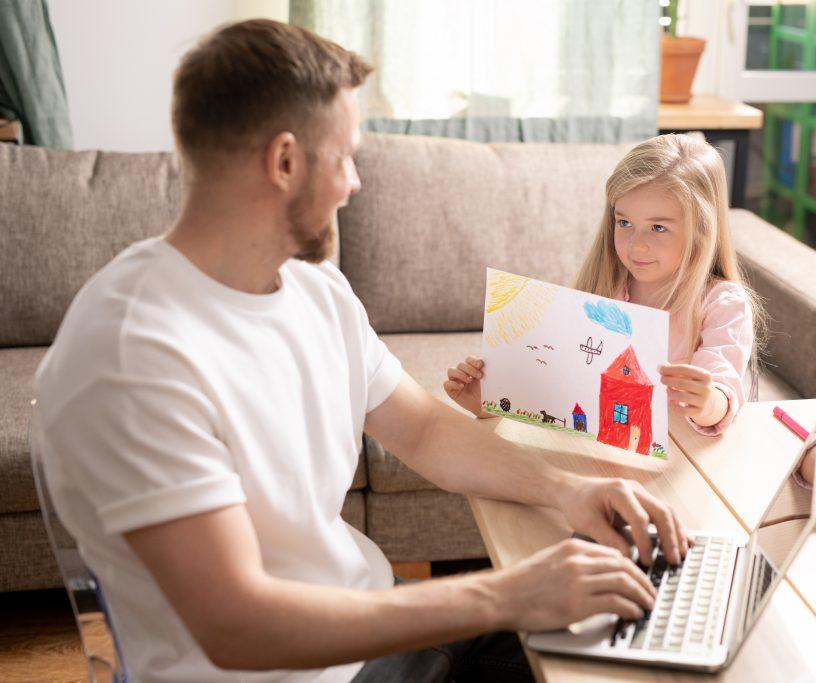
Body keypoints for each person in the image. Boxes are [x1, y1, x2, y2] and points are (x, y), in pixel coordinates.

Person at [33, 19, 689, 683]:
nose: (354, 183)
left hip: (373, 637)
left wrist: (570, 490)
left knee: (637, 652)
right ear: (284, 161)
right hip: (286, 672)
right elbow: (237, 623)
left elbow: (426, 430)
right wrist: (507, 592)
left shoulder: (313, 287)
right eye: (344, 156)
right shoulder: (133, 354)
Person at [446, 133, 761, 436]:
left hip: (678, 463)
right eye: (624, 223)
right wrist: (491, 401)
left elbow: (723, 389)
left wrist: (707, 403)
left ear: (702, 231)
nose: (636, 245)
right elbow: (556, 386)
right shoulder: (604, 287)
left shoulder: (722, 304)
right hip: (599, 454)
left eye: (658, 228)